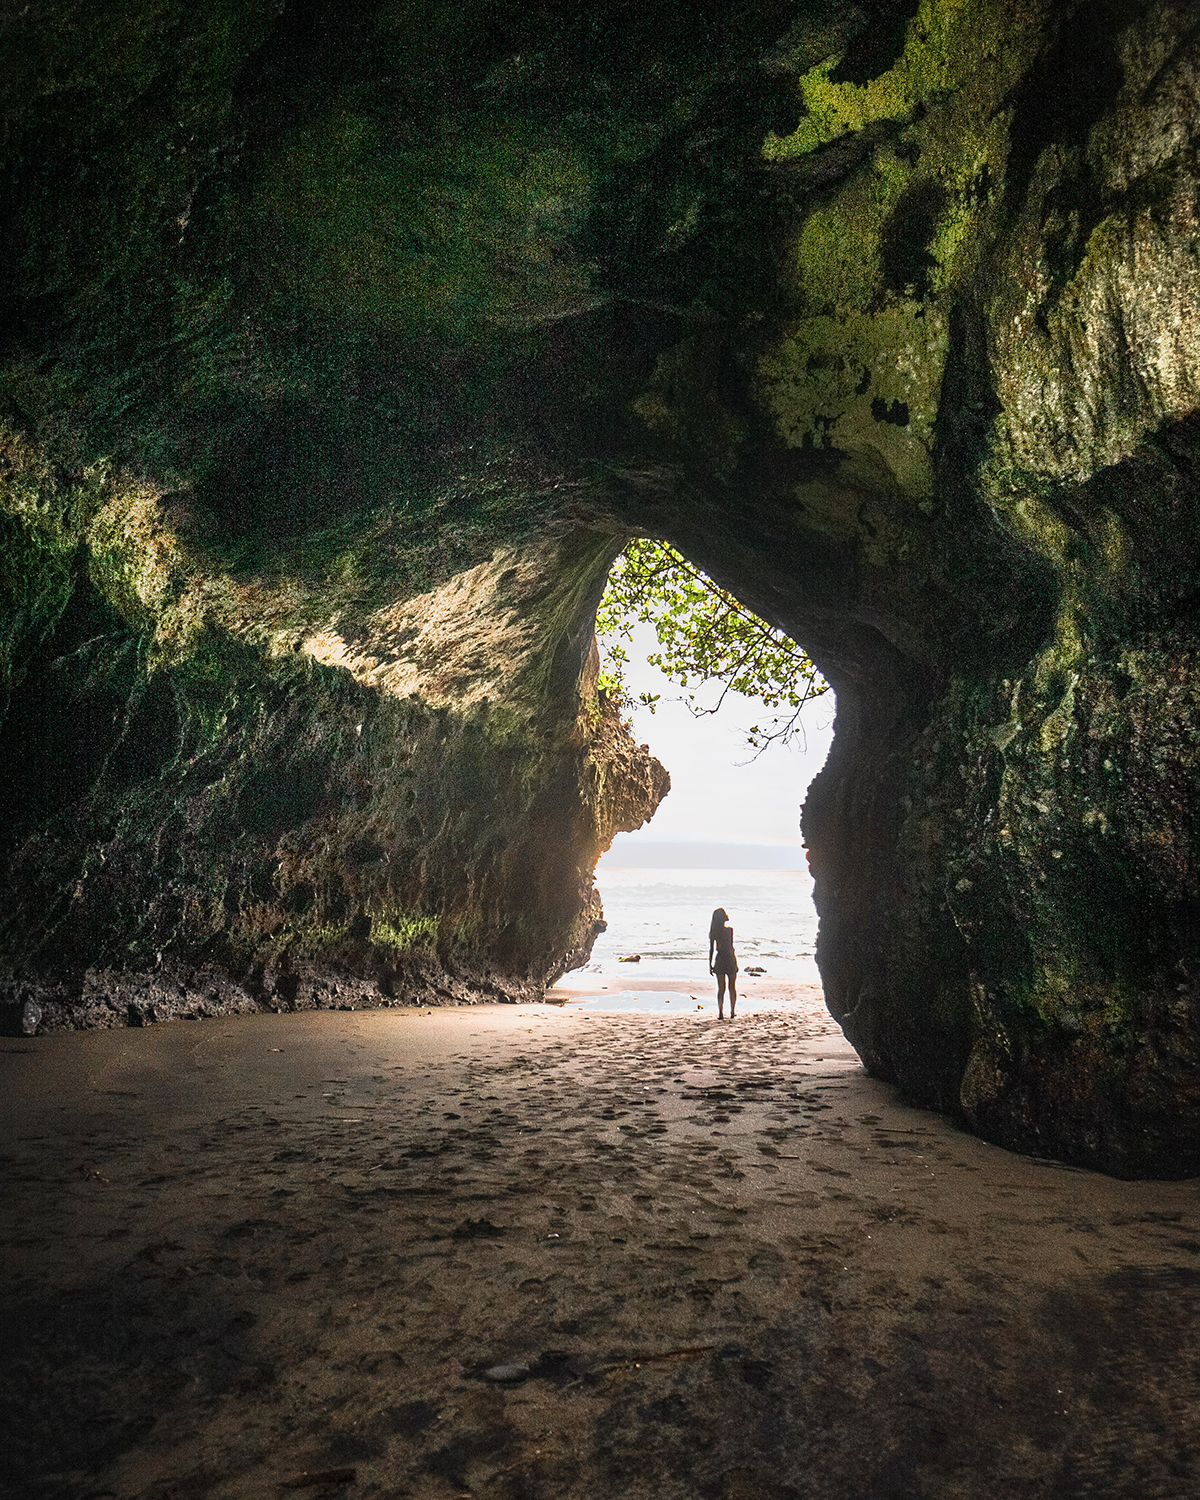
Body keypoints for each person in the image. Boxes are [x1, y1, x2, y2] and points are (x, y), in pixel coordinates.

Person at [708, 907, 738, 1020]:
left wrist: (709, 964)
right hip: (730, 958)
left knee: (721, 989)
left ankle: (720, 1012)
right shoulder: (729, 930)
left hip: (720, 958)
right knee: (732, 987)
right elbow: (730, 947)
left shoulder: (714, 933)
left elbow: (711, 949)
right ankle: (732, 1011)